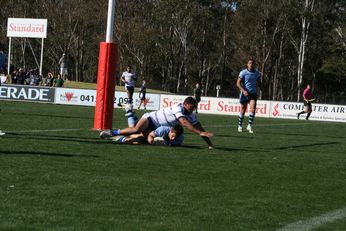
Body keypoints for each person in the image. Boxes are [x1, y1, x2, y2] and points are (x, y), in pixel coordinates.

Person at [100, 96, 214, 149]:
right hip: (150, 119)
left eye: (194, 107)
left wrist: (209, 144)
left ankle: (128, 114)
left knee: (140, 140)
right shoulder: (177, 108)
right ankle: (111, 133)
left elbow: (200, 128)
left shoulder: (191, 114)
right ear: (184, 104)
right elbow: (183, 122)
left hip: (156, 127)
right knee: (136, 129)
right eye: (191, 107)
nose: (193, 109)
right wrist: (199, 133)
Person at [236, 57, 261, 134]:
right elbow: (238, 83)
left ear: (254, 64)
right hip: (245, 93)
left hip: (253, 93)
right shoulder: (243, 72)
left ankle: (249, 125)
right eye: (249, 63)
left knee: (252, 109)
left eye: (252, 63)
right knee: (243, 109)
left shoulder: (257, 73)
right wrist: (243, 90)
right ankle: (240, 125)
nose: (251, 65)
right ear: (247, 64)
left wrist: (262, 87)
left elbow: (259, 83)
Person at [111, 124, 185, 146]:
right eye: (173, 136)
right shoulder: (162, 130)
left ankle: (122, 138)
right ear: (171, 130)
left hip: (156, 138)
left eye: (175, 137)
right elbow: (150, 135)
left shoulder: (180, 139)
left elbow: (174, 144)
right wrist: (152, 142)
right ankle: (119, 137)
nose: (173, 138)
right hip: (151, 131)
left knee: (138, 140)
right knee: (138, 140)